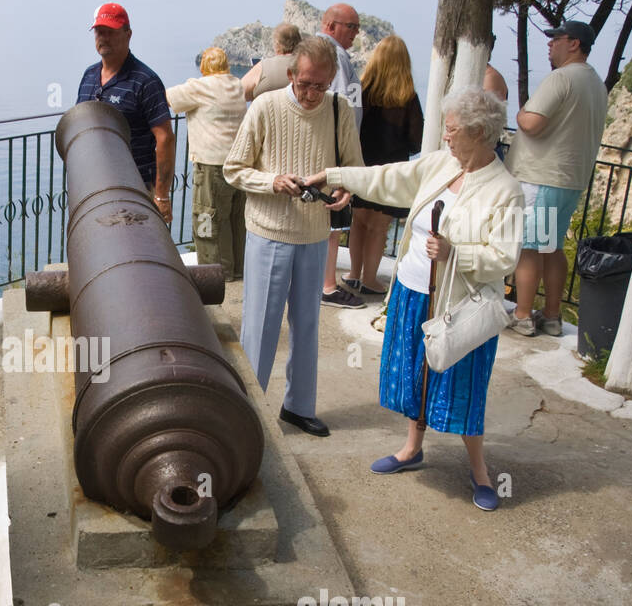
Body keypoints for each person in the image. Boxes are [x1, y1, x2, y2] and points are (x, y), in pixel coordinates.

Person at [304, 87, 524, 511]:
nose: (445, 137)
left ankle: (480, 471)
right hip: (412, 290)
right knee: (415, 378)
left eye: (452, 130)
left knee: (462, 386)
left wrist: (455, 253)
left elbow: (504, 257)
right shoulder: (441, 165)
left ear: (479, 133)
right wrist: (335, 176)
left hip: (459, 307)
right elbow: (388, 178)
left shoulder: (504, 190)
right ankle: (411, 448)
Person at [223, 35, 363, 437]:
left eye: (321, 85)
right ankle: (248, 411)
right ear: (290, 75)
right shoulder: (265, 106)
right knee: (261, 327)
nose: (312, 94)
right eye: (305, 84)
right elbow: (234, 169)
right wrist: (272, 181)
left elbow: (353, 168)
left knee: (307, 325)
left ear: (332, 80)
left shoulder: (340, 110)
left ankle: (298, 407)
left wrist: (343, 189)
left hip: (315, 235)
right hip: (269, 233)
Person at [504, 20, 607, 337]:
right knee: (552, 247)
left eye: (556, 39)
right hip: (570, 178)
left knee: (529, 247)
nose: (549, 44)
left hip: (541, 175)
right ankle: (551, 316)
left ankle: (521, 315)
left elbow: (532, 123)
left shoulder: (561, 78)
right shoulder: (596, 82)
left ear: (574, 43)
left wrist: (520, 114)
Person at [77, 2, 175, 220]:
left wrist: (161, 196)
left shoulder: (145, 81)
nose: (103, 38)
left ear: (128, 34)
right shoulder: (89, 76)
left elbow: (165, 138)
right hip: (97, 184)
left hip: (136, 184)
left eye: (110, 32)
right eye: (99, 32)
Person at [344, 35, 423, 297]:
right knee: (379, 227)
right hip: (392, 169)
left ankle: (354, 274)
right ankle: (370, 279)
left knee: (358, 222)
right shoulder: (408, 97)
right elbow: (417, 139)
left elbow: (349, 124)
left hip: (363, 164)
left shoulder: (361, 89)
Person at [166, 47, 247, 280]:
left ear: (203, 68)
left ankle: (214, 274)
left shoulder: (200, 87)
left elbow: (167, 98)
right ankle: (237, 268)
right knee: (235, 220)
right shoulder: (236, 85)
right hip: (238, 164)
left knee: (206, 221)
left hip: (210, 166)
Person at [317, 3, 367, 309]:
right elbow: (337, 105)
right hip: (333, 152)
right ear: (332, 26)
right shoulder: (333, 55)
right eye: (352, 27)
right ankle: (327, 286)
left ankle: (324, 282)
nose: (356, 33)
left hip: (335, 149)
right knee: (332, 219)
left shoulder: (335, 53)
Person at [241, 22, 302, 101]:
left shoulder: (264, 66)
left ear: (277, 44)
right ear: (299, 42)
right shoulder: (309, 66)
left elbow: (237, 94)